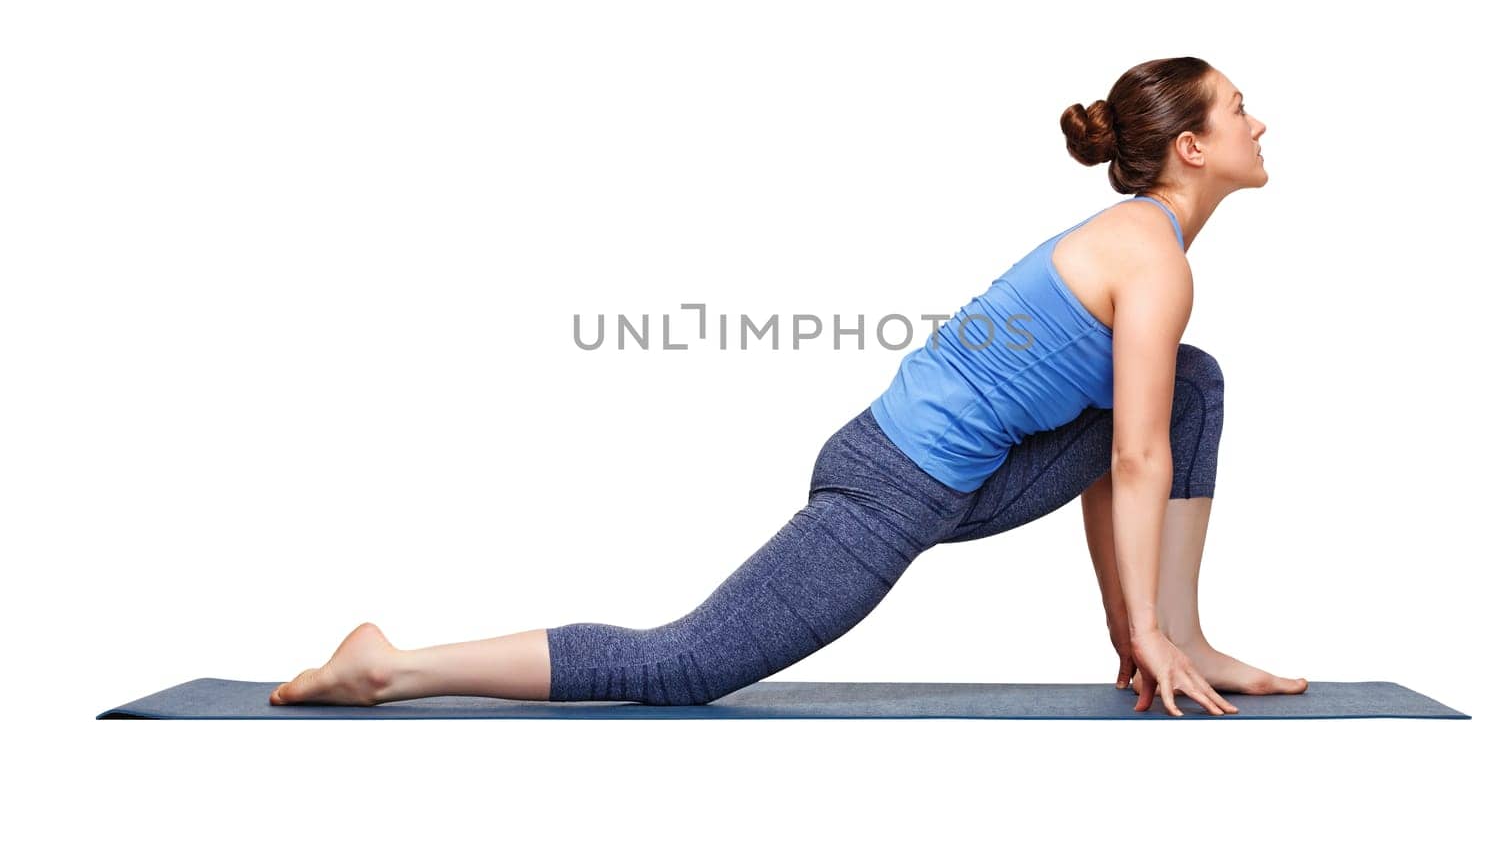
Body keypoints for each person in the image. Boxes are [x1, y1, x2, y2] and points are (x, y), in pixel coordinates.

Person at [270, 56, 1307, 717]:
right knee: (679, 665)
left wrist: (1140, 633)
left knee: (1190, 385)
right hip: (890, 485)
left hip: (964, 474)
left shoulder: (1142, 245)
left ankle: (1184, 640)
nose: (1258, 123)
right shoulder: (1152, 257)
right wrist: (1137, 631)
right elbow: (1129, 459)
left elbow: (1136, 441)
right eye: (1240, 108)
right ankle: (391, 664)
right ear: (1190, 145)